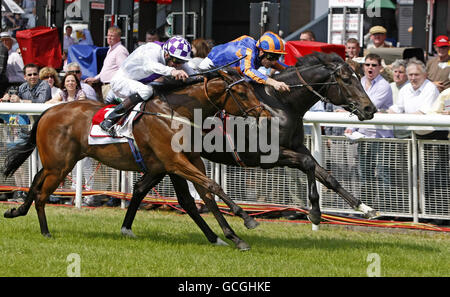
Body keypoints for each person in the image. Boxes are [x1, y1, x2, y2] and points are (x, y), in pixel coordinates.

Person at [99, 35, 195, 135]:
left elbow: (192, 74)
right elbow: (152, 66)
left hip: (137, 84)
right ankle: (110, 119)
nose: (179, 65)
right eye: (176, 61)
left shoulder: (172, 56)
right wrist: (173, 71)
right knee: (147, 91)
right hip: (121, 82)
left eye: (182, 61)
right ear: (167, 54)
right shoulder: (152, 50)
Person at [346, 53, 393, 207]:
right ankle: (368, 206)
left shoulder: (384, 85)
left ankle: (387, 208)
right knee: (364, 173)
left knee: (383, 174)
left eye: (374, 65)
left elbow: (369, 107)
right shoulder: (360, 82)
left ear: (380, 68)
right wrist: (351, 127)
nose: (370, 68)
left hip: (380, 137)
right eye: (367, 65)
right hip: (363, 135)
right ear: (363, 67)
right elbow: (354, 104)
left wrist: (350, 117)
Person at [198, 31, 290, 92]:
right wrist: (274, 82)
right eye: (272, 57)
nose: (274, 62)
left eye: (277, 56)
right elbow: (248, 70)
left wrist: (293, 70)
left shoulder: (261, 53)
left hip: (230, 72)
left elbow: (277, 65)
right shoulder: (247, 51)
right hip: (210, 67)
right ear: (261, 51)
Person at [84, 26, 129, 100]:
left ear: (118, 38)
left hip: (113, 87)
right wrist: (95, 78)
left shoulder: (120, 50)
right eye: (108, 35)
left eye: (112, 36)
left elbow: (123, 70)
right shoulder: (110, 50)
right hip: (106, 86)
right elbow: (107, 70)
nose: (109, 37)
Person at [389, 59, 409, 138]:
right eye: (395, 71)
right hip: (390, 132)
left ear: (407, 74)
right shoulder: (388, 87)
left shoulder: (411, 88)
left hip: (406, 133)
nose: (397, 74)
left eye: (400, 72)